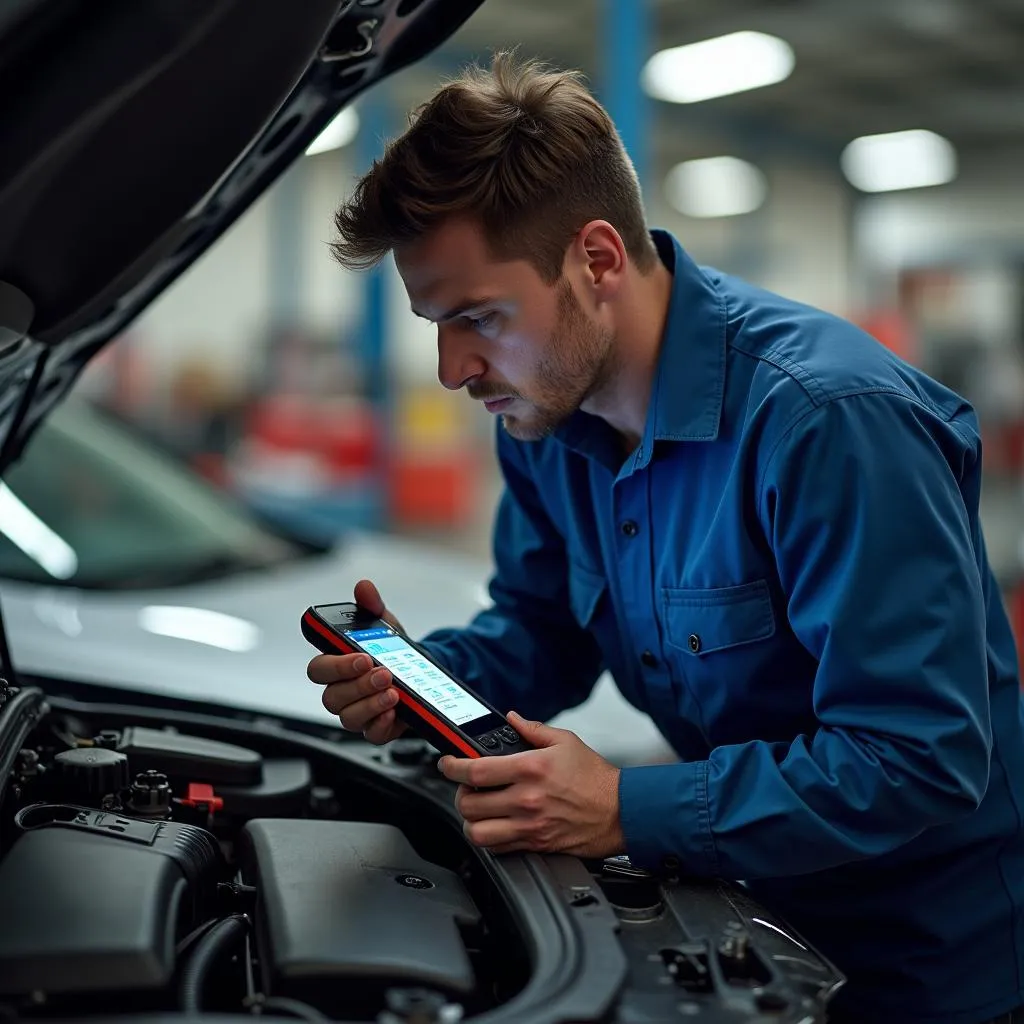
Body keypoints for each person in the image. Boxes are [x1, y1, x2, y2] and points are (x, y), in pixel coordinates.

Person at [306, 52, 1024, 1024]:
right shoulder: (545, 420)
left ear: (597, 259)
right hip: (748, 919)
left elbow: (916, 755)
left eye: (479, 316)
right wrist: (421, 682)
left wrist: (622, 807)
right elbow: (540, 629)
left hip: (929, 961)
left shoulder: (827, 421)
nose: (450, 367)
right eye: (436, 322)